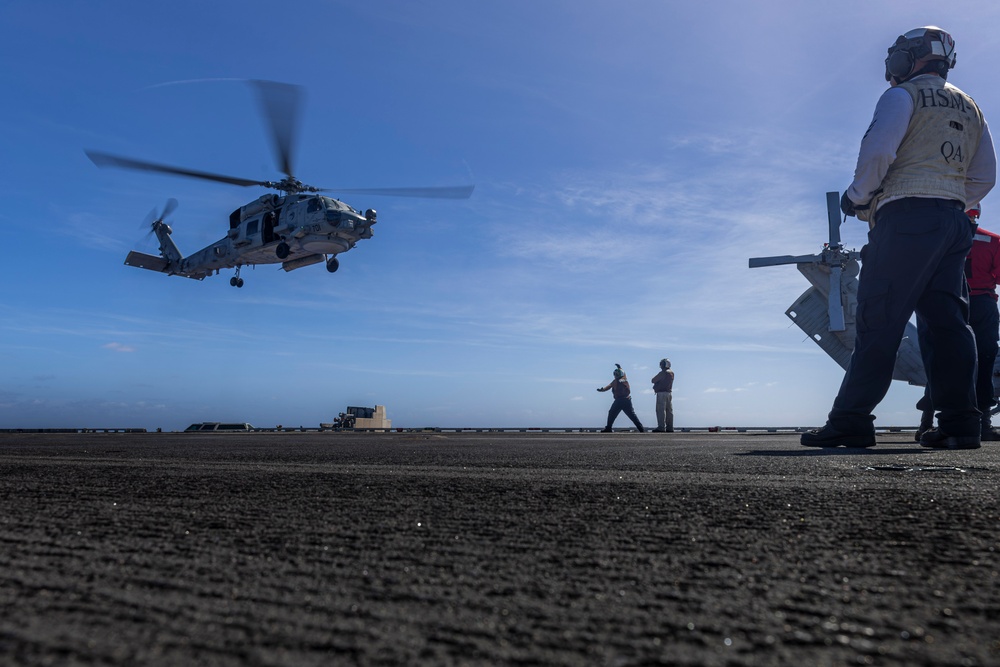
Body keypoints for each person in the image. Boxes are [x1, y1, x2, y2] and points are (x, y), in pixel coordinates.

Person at [801, 26, 996, 451]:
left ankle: (851, 420)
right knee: (948, 323)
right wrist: (951, 200)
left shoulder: (901, 96)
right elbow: (985, 175)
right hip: (953, 222)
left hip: (905, 217)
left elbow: (877, 152)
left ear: (906, 60)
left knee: (879, 319)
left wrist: (857, 198)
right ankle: (962, 423)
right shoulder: (972, 106)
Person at [916, 205, 1000, 441]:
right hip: (982, 304)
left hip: (945, 301)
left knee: (940, 361)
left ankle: (926, 423)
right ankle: (982, 424)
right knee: (983, 362)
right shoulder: (993, 241)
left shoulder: (934, 238)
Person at [597, 364, 644, 432]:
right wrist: (602, 390)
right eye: (615, 374)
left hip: (621, 400)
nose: (615, 375)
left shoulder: (619, 380)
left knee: (613, 413)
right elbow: (609, 385)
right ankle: (641, 429)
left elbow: (610, 386)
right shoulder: (622, 379)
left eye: (616, 374)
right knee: (631, 415)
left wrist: (602, 390)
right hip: (625, 400)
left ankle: (608, 428)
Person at [650, 358, 674, 432]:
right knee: (669, 411)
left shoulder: (663, 373)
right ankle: (670, 427)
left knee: (660, 410)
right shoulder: (672, 373)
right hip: (669, 393)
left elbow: (653, 380)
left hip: (661, 393)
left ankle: (661, 427)